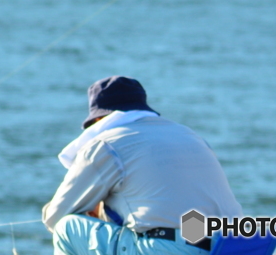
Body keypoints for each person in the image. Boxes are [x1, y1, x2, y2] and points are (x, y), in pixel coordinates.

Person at [42, 76, 242, 255]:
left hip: (168, 249)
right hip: (233, 247)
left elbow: (56, 217)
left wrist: (92, 208)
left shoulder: (106, 143)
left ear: (99, 118)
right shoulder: (188, 134)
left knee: (66, 228)